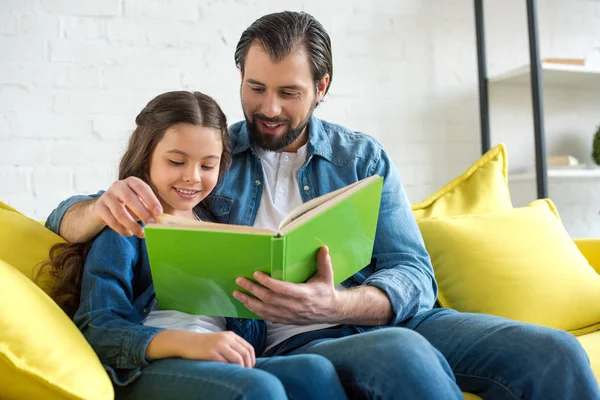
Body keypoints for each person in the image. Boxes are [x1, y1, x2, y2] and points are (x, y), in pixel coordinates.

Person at [46, 12, 600, 400]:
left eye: (288, 93)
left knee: (556, 354)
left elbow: (414, 274)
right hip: (293, 343)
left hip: (381, 319)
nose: (268, 108)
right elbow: (107, 206)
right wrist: (96, 209)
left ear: (322, 86)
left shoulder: (361, 157)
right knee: (399, 354)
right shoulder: (212, 154)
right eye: (255, 88)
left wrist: (336, 304)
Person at [39, 90, 347, 400]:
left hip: (223, 360)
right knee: (259, 388)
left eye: (207, 166)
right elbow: (97, 326)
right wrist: (190, 344)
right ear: (146, 157)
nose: (192, 177)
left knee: (314, 371)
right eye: (176, 161)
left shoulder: (224, 229)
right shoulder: (125, 225)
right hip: (152, 365)